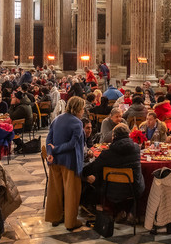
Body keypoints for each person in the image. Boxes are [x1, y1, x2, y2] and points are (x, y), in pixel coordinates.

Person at [82, 124, 144, 222]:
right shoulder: (136, 148)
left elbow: (93, 168)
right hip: (133, 188)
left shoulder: (107, 153)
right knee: (139, 174)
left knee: (96, 176)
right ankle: (132, 212)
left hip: (111, 190)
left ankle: (97, 207)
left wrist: (82, 172)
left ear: (113, 136)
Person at [45, 96, 86, 231]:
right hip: (70, 161)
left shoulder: (57, 119)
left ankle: (55, 217)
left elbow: (48, 138)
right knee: (71, 193)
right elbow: (72, 144)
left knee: (55, 191)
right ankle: (70, 222)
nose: (83, 111)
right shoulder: (77, 123)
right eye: (83, 109)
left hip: (55, 161)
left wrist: (51, 152)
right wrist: (57, 149)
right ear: (78, 108)